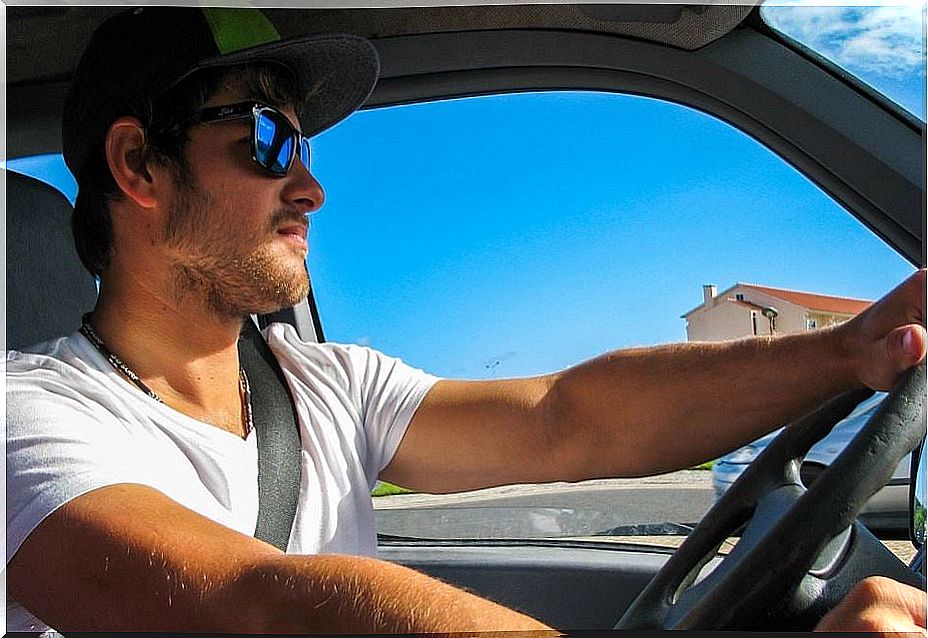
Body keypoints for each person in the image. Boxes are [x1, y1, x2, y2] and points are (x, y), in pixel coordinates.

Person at [6, 6, 926, 634]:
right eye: (266, 138)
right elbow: (251, 604)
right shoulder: (28, 420)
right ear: (139, 166)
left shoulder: (325, 386)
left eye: (307, 143)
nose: (311, 186)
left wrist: (854, 349)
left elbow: (570, 415)